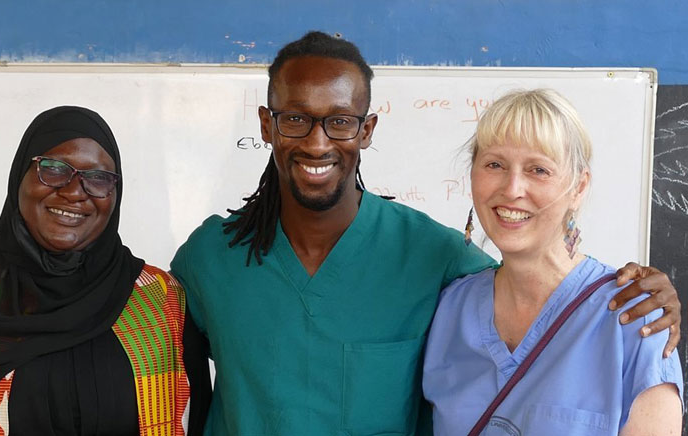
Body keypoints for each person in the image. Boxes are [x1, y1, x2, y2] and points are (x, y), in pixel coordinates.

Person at [171, 32, 682, 435]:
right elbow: (166, 371)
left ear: (367, 130)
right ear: (266, 125)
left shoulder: (436, 258)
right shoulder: (210, 257)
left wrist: (643, 289)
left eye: (341, 122)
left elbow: (539, 296)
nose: (317, 142)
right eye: (296, 120)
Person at [0, 106, 199, 435]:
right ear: (21, 174)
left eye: (98, 178)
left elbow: (196, 416)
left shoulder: (160, 299)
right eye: (53, 169)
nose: (75, 192)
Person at [422, 89, 683, 435]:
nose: (512, 188)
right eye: (494, 164)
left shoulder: (636, 317)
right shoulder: (449, 309)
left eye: (538, 170)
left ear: (579, 187)